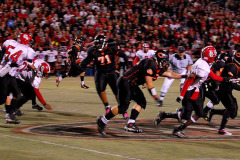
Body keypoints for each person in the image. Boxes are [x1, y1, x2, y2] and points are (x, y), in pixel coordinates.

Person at [96, 50, 187, 135]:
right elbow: (149, 84)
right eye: (164, 61)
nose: (166, 63)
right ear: (158, 59)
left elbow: (170, 74)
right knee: (123, 108)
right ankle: (103, 120)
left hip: (131, 83)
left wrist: (185, 75)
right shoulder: (150, 64)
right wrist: (156, 97)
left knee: (141, 102)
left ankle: (130, 124)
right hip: (126, 82)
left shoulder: (157, 66)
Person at [154, 46, 229, 138]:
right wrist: (182, 95)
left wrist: (226, 79)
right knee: (189, 114)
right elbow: (190, 80)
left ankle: (172, 123)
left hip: (192, 89)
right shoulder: (203, 67)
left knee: (196, 113)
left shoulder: (203, 62)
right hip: (189, 90)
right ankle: (171, 122)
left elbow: (213, 76)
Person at [80, 35, 129, 119]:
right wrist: (81, 65)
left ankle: (123, 110)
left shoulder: (111, 48)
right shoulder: (93, 51)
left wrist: (126, 67)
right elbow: (86, 61)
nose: (96, 45)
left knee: (117, 92)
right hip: (100, 73)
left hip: (112, 72)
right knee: (101, 90)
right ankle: (107, 106)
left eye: (97, 44)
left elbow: (123, 55)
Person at [0, 33, 36, 123]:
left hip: (8, 73)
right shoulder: (28, 50)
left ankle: (9, 116)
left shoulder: (10, 42)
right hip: (6, 73)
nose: (30, 43)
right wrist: (36, 70)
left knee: (15, 95)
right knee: (3, 98)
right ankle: (9, 115)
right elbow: (30, 63)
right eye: (29, 41)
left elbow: (2, 51)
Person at [205, 50, 240, 135]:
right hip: (223, 90)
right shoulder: (233, 67)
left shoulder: (235, 66)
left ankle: (213, 112)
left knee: (233, 113)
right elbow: (232, 83)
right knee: (230, 110)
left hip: (226, 90)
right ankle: (221, 129)